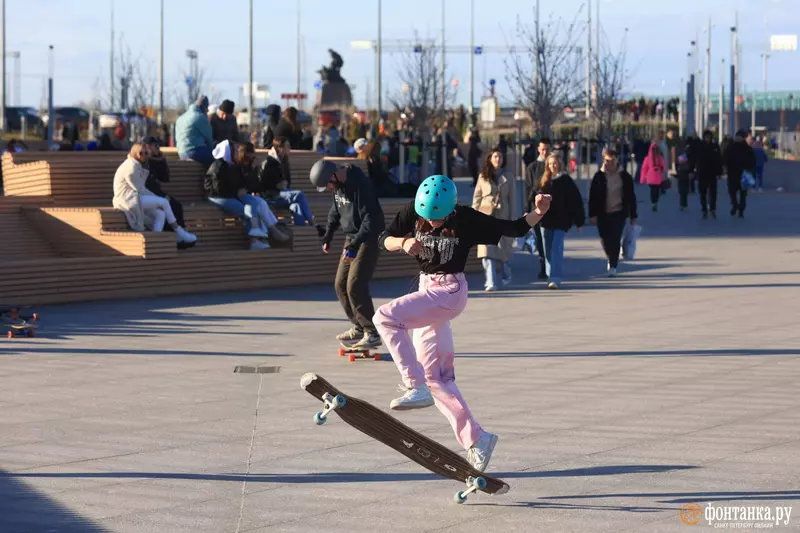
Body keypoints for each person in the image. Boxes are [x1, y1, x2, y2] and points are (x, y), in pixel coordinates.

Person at [374, 174, 552, 471]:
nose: (432, 223)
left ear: (451, 208)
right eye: (427, 218)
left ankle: (412, 384)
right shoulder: (415, 210)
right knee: (439, 380)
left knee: (385, 317)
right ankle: (477, 440)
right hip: (426, 289)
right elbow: (384, 238)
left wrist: (539, 212)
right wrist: (403, 242)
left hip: (449, 292)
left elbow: (514, 228)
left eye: (438, 218)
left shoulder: (466, 219)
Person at [310, 158, 386, 350]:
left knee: (355, 284)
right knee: (340, 284)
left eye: (327, 184)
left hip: (368, 237)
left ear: (333, 176)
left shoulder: (361, 185)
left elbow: (370, 220)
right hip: (352, 238)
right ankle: (359, 327)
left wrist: (353, 246)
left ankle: (372, 333)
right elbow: (335, 212)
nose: (328, 189)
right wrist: (328, 235)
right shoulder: (338, 187)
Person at [205, 142, 290, 250]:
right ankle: (255, 240)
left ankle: (265, 236)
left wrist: (253, 171)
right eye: (234, 150)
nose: (236, 152)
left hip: (232, 195)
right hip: (218, 197)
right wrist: (236, 193)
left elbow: (245, 184)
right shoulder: (219, 166)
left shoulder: (233, 165)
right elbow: (217, 189)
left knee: (257, 204)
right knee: (245, 210)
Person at [112, 143, 197, 244]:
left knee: (160, 214)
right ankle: (178, 230)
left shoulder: (137, 165)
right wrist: (156, 200)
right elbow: (139, 189)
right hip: (127, 199)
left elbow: (159, 180)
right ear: (134, 153)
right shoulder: (131, 167)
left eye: (146, 153)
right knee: (164, 202)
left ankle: (155, 241)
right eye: (140, 153)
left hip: (135, 197)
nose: (143, 155)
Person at [538, 154, 585, 289]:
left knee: (557, 249)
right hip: (545, 221)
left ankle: (555, 277)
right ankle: (550, 274)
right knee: (547, 250)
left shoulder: (566, 180)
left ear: (559, 164)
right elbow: (533, 197)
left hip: (561, 221)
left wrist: (579, 221)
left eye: (555, 163)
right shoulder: (544, 180)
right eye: (550, 164)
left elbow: (576, 201)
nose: (553, 166)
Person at [588, 149, 638, 277]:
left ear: (617, 160)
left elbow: (631, 196)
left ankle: (613, 264)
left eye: (612, 161)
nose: (609, 163)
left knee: (615, 238)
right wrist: (592, 214)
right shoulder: (599, 176)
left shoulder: (624, 176)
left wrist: (633, 215)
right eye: (606, 161)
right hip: (602, 212)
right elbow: (592, 197)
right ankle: (611, 256)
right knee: (605, 239)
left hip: (619, 212)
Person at [472, 150, 513, 291]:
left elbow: (513, 201)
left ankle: (506, 275)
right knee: (486, 252)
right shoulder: (483, 177)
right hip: (485, 218)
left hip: (503, 218)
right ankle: (491, 282)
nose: (498, 159)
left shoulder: (508, 177)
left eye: (500, 156)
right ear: (490, 159)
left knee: (503, 252)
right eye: (495, 156)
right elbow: (476, 199)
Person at [143, 137, 192, 246]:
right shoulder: (141, 161)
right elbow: (145, 184)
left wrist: (159, 159)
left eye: (157, 146)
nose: (157, 148)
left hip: (154, 192)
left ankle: (180, 233)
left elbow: (164, 178)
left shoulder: (153, 160)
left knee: (176, 205)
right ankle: (176, 235)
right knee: (169, 206)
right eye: (154, 146)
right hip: (145, 193)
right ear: (147, 147)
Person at [259, 136, 317, 227]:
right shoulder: (268, 163)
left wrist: (285, 184)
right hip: (272, 196)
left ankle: (300, 234)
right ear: (280, 148)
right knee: (299, 194)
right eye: (287, 146)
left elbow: (287, 181)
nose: (289, 148)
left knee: (296, 206)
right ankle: (311, 221)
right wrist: (277, 185)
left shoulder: (284, 161)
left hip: (283, 195)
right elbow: (263, 185)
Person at [523, 137, 551, 280]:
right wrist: (526, 208)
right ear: (539, 149)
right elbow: (527, 189)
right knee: (539, 239)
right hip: (536, 209)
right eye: (542, 149)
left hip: (551, 210)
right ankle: (543, 267)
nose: (545, 151)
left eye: (547, 149)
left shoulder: (553, 166)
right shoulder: (532, 167)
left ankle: (550, 266)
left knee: (550, 239)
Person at [723, 130, 756, 218]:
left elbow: (752, 161)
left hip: (743, 174)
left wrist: (750, 170)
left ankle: (741, 210)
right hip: (732, 174)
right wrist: (725, 166)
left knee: (743, 195)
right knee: (732, 192)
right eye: (737, 136)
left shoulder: (748, 149)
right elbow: (724, 157)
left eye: (740, 137)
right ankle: (735, 205)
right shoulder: (731, 147)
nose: (738, 138)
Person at [176, 95, 214, 165]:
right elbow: (209, 137)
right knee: (218, 161)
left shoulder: (181, 118)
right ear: (204, 108)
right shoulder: (200, 117)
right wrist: (212, 152)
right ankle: (210, 176)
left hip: (181, 153)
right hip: (194, 152)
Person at [694, 130, 723, 218]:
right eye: (706, 137)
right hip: (702, 172)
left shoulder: (714, 146)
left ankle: (712, 208)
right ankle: (704, 209)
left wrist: (719, 172)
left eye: (709, 137)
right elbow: (695, 159)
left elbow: (719, 159)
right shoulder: (700, 146)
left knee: (713, 192)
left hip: (712, 172)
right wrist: (693, 171)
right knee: (702, 192)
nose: (708, 139)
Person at [640, 143, 666, 212]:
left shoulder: (648, 158)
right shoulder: (660, 157)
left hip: (650, 177)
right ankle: (655, 201)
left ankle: (653, 202)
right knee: (656, 190)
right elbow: (663, 167)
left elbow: (644, 169)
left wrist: (642, 179)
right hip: (658, 177)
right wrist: (661, 170)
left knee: (653, 190)